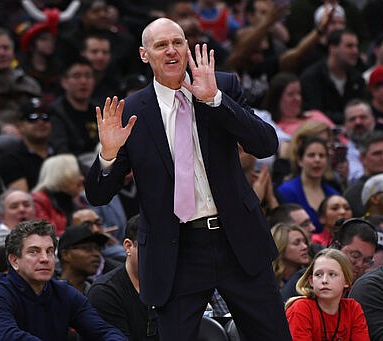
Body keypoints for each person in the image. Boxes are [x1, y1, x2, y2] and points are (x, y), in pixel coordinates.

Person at [85, 17, 291, 340]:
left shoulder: (221, 85)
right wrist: (108, 155)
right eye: (161, 45)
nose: (171, 51)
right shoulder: (131, 110)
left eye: (177, 42)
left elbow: (266, 144)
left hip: (236, 238)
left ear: (187, 47)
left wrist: (216, 102)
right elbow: (98, 195)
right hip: (175, 250)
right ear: (144, 54)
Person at [0, 220, 126, 340]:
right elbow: (9, 337)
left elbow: (102, 331)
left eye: (49, 251)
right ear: (14, 261)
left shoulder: (64, 292)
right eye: (34, 252)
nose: (45, 259)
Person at [88, 214, 159, 340]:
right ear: (128, 246)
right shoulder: (105, 292)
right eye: (151, 247)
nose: (160, 256)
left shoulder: (176, 285)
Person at [281, 217, 378, 302]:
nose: (360, 265)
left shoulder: (367, 290)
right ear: (336, 247)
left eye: (367, 261)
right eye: (355, 256)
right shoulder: (303, 284)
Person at [285, 248, 370, 340]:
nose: (324, 280)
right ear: (311, 281)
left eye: (332, 274)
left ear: (346, 280)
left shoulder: (352, 309)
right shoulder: (300, 308)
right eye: (318, 275)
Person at [300, 29, 366, 125]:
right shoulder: (311, 78)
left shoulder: (357, 78)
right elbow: (314, 113)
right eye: (349, 46)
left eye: (356, 46)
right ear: (332, 48)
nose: (355, 51)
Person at [276, 135, 340, 231]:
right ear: (300, 160)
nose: (317, 160)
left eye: (322, 156)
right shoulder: (285, 191)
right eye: (311, 155)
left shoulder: (333, 194)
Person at [261, 72, 335, 137]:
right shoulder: (276, 129)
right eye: (291, 94)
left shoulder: (315, 114)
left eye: (299, 93)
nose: (297, 98)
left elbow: (340, 136)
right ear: (277, 98)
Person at [32, 154, 86, 236]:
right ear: (63, 176)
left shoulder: (75, 200)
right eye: (77, 173)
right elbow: (47, 234)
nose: (82, 178)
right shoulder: (38, 201)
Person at [57, 224, 108, 295]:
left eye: (97, 249)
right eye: (87, 248)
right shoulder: (46, 291)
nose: (96, 254)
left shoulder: (98, 294)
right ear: (65, 254)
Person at [0, 189, 35, 255]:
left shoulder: (44, 234)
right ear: (2, 217)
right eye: (14, 207)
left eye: (26, 205)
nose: (22, 209)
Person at [271, 223, 310, 288]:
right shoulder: (268, 282)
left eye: (305, 242)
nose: (305, 246)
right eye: (296, 243)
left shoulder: (311, 277)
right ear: (281, 248)